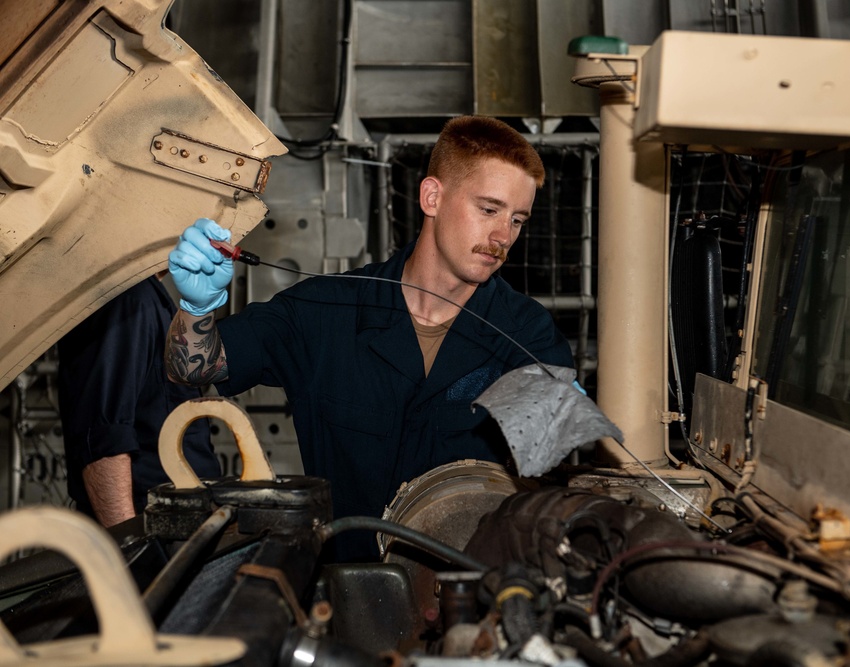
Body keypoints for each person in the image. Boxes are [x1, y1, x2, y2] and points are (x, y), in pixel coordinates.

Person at [165, 115, 575, 560]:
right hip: (346, 592)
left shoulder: (527, 333)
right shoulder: (327, 311)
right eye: (489, 209)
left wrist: (567, 430)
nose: (502, 237)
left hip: (475, 596)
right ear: (432, 196)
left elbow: (551, 486)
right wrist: (195, 309)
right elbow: (194, 367)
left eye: (517, 220)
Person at [58, 273, 221, 528]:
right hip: (149, 527)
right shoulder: (127, 301)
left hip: (171, 525)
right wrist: (129, 549)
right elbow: (104, 441)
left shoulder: (146, 297)